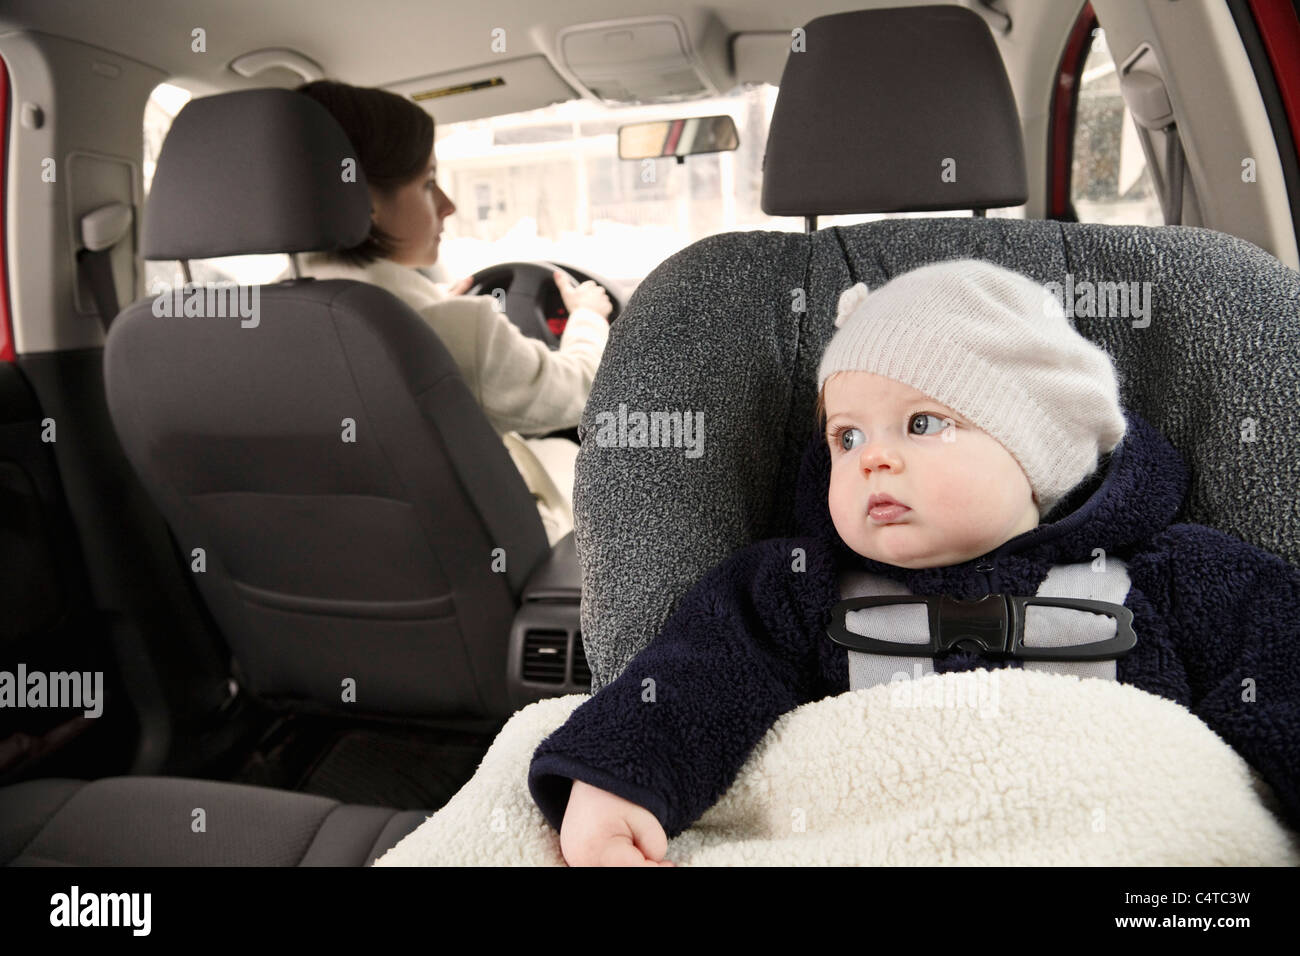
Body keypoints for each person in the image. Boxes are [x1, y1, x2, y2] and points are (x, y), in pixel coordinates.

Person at [527, 258, 1300, 866]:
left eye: (924, 424)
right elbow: (695, 682)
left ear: (1039, 449)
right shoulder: (797, 590)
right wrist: (616, 781)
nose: (873, 462)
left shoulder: (1179, 577)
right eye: (847, 438)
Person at [289, 80, 614, 546]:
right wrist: (588, 317)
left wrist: (436, 304)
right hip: (486, 576)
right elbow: (582, 390)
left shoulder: (233, 332)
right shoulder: (458, 331)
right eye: (427, 182)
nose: (449, 205)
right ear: (367, 202)